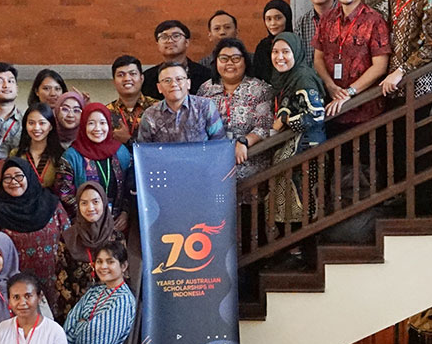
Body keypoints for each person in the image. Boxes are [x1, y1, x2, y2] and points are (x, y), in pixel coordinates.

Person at [0, 157, 71, 304]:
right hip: (15, 290)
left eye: (18, 176)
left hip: (54, 283)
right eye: (7, 178)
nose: (13, 182)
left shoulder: (51, 203)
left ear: (29, 177)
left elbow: (68, 236)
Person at [313, 0, 392, 127]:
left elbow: (380, 66)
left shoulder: (374, 20)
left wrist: (349, 93)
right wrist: (330, 85)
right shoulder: (327, 18)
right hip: (331, 107)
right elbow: (318, 58)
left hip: (364, 111)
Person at [61, 241, 134, 344]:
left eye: (110, 261)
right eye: (99, 261)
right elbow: (68, 326)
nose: (103, 266)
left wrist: (83, 325)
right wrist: (83, 326)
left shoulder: (123, 299)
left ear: (123, 266)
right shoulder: (95, 291)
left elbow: (93, 343)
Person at [265, 34, 328, 229]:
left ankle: (303, 247)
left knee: (306, 200)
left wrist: (285, 121)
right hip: (295, 145)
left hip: (308, 148)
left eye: (286, 52)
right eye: (275, 52)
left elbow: (316, 114)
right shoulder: (286, 77)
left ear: (297, 53)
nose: (279, 57)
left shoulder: (303, 76)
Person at [199, 37, 275, 177]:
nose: (229, 63)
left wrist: (244, 141)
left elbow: (264, 126)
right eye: (223, 59)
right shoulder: (205, 89)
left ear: (245, 61)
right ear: (215, 62)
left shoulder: (260, 89)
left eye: (235, 58)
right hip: (214, 162)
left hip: (249, 161)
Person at [56, 179, 123, 306]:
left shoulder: (116, 238)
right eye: (84, 203)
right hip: (76, 310)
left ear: (103, 203)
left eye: (95, 202)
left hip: (112, 307)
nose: (90, 208)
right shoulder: (68, 238)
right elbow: (61, 282)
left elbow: (123, 277)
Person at [56, 102, 133, 215]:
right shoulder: (71, 156)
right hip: (84, 224)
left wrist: (125, 213)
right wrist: (90, 216)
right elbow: (64, 194)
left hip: (118, 223)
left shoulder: (121, 152)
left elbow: (131, 188)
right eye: (91, 123)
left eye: (103, 123)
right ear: (83, 125)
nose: (97, 128)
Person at [136, 61, 229, 143]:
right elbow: (144, 153)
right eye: (167, 81)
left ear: (188, 83)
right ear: (159, 87)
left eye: (179, 79)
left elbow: (219, 143)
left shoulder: (205, 107)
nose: (173, 84)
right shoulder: (150, 115)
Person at [143, 19, 216, 93]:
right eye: (164, 37)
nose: (170, 41)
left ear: (187, 42)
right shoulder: (148, 78)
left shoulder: (206, 75)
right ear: (158, 44)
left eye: (176, 36)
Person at [107, 55, 157, 145]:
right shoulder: (106, 112)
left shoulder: (157, 108)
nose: (127, 79)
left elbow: (163, 145)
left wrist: (129, 140)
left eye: (132, 73)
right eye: (121, 75)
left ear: (142, 79)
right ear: (114, 82)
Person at [15, 102, 64, 190]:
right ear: (25, 125)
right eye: (31, 123)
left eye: (42, 123)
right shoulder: (16, 154)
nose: (36, 128)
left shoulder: (60, 155)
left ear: (51, 126)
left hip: (51, 202)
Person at [252, 0, 294, 87]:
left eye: (278, 18)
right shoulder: (263, 47)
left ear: (287, 18)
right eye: (268, 19)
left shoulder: (295, 44)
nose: (273, 23)